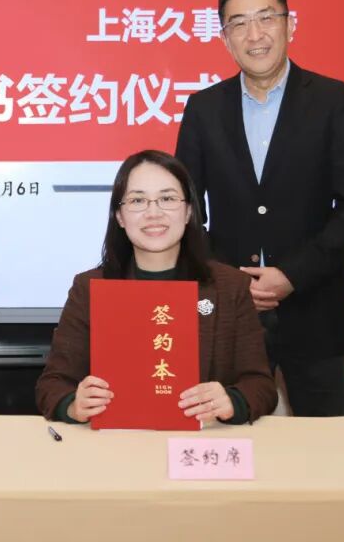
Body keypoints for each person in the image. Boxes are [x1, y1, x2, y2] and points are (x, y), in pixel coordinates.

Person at [175, 0, 344, 416]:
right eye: (239, 24)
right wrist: (229, 279)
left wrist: (292, 274)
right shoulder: (204, 109)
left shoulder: (334, 100)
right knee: (230, 437)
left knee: (325, 445)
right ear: (225, 39)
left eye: (266, 18)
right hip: (230, 311)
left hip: (316, 306)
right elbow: (185, 210)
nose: (255, 34)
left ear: (290, 25)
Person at [35, 150, 277, 426]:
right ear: (120, 216)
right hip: (115, 442)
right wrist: (73, 404)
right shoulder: (89, 288)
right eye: (138, 200)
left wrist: (232, 400)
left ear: (188, 212)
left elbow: (261, 385)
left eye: (167, 199)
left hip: (200, 443)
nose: (153, 213)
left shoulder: (230, 287)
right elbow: (52, 385)